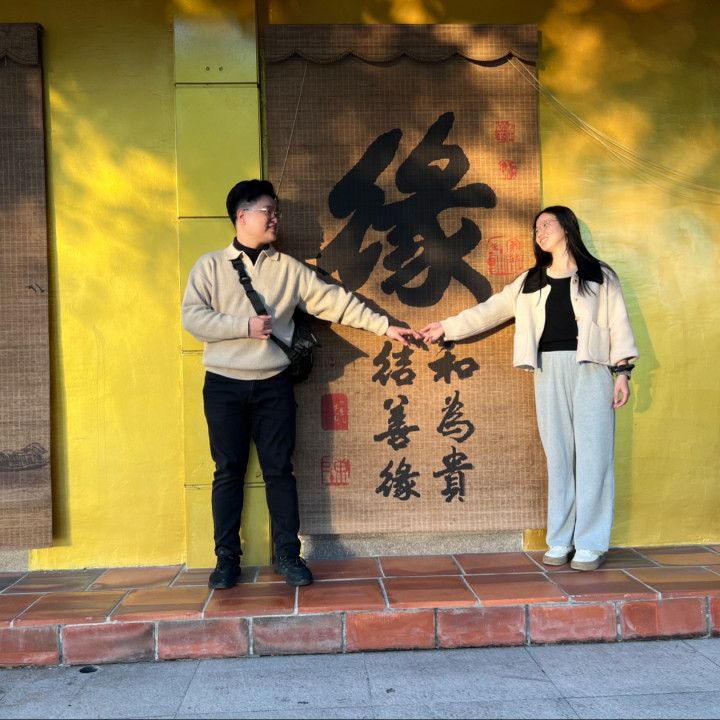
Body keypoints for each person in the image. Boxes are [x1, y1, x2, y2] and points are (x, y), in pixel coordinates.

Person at [182, 179, 421, 589]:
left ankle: (288, 556)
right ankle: (226, 559)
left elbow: (335, 302)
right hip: (223, 384)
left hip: (273, 384)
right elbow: (192, 318)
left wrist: (384, 326)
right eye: (267, 211)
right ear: (242, 215)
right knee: (228, 472)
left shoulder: (289, 269)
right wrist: (244, 326)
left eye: (276, 212)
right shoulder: (210, 266)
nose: (275, 218)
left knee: (280, 470)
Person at [420, 206, 639, 571]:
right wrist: (447, 327)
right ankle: (561, 539)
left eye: (546, 224)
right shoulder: (529, 281)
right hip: (547, 371)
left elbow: (619, 324)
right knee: (559, 457)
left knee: (594, 457)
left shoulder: (599, 275)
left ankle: (590, 543)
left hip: (592, 369)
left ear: (566, 227)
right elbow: (489, 310)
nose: (540, 232)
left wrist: (622, 373)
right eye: (536, 228)